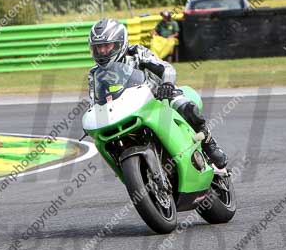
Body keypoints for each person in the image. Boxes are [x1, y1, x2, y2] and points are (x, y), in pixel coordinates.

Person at [87, 18, 228, 169]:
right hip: (125, 110)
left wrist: (167, 84)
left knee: (185, 107)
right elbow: (94, 102)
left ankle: (209, 144)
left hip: (157, 96)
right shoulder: (95, 73)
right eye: (98, 47)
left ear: (120, 43)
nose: (102, 51)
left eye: (106, 46)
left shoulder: (137, 53)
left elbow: (166, 68)